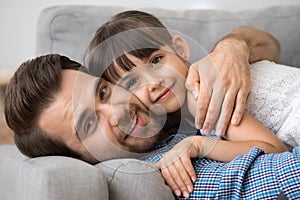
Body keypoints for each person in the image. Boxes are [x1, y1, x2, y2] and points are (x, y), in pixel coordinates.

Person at [4, 54, 300, 199]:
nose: (120, 110)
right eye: (89, 124)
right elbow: (279, 178)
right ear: (83, 159)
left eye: (103, 92)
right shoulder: (171, 173)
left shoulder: (170, 105)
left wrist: (232, 47)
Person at [85, 10, 280, 137]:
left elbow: (273, 150)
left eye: (155, 61)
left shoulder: (199, 93)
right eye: (132, 82)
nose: (153, 83)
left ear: (179, 49)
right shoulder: (173, 125)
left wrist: (200, 146)